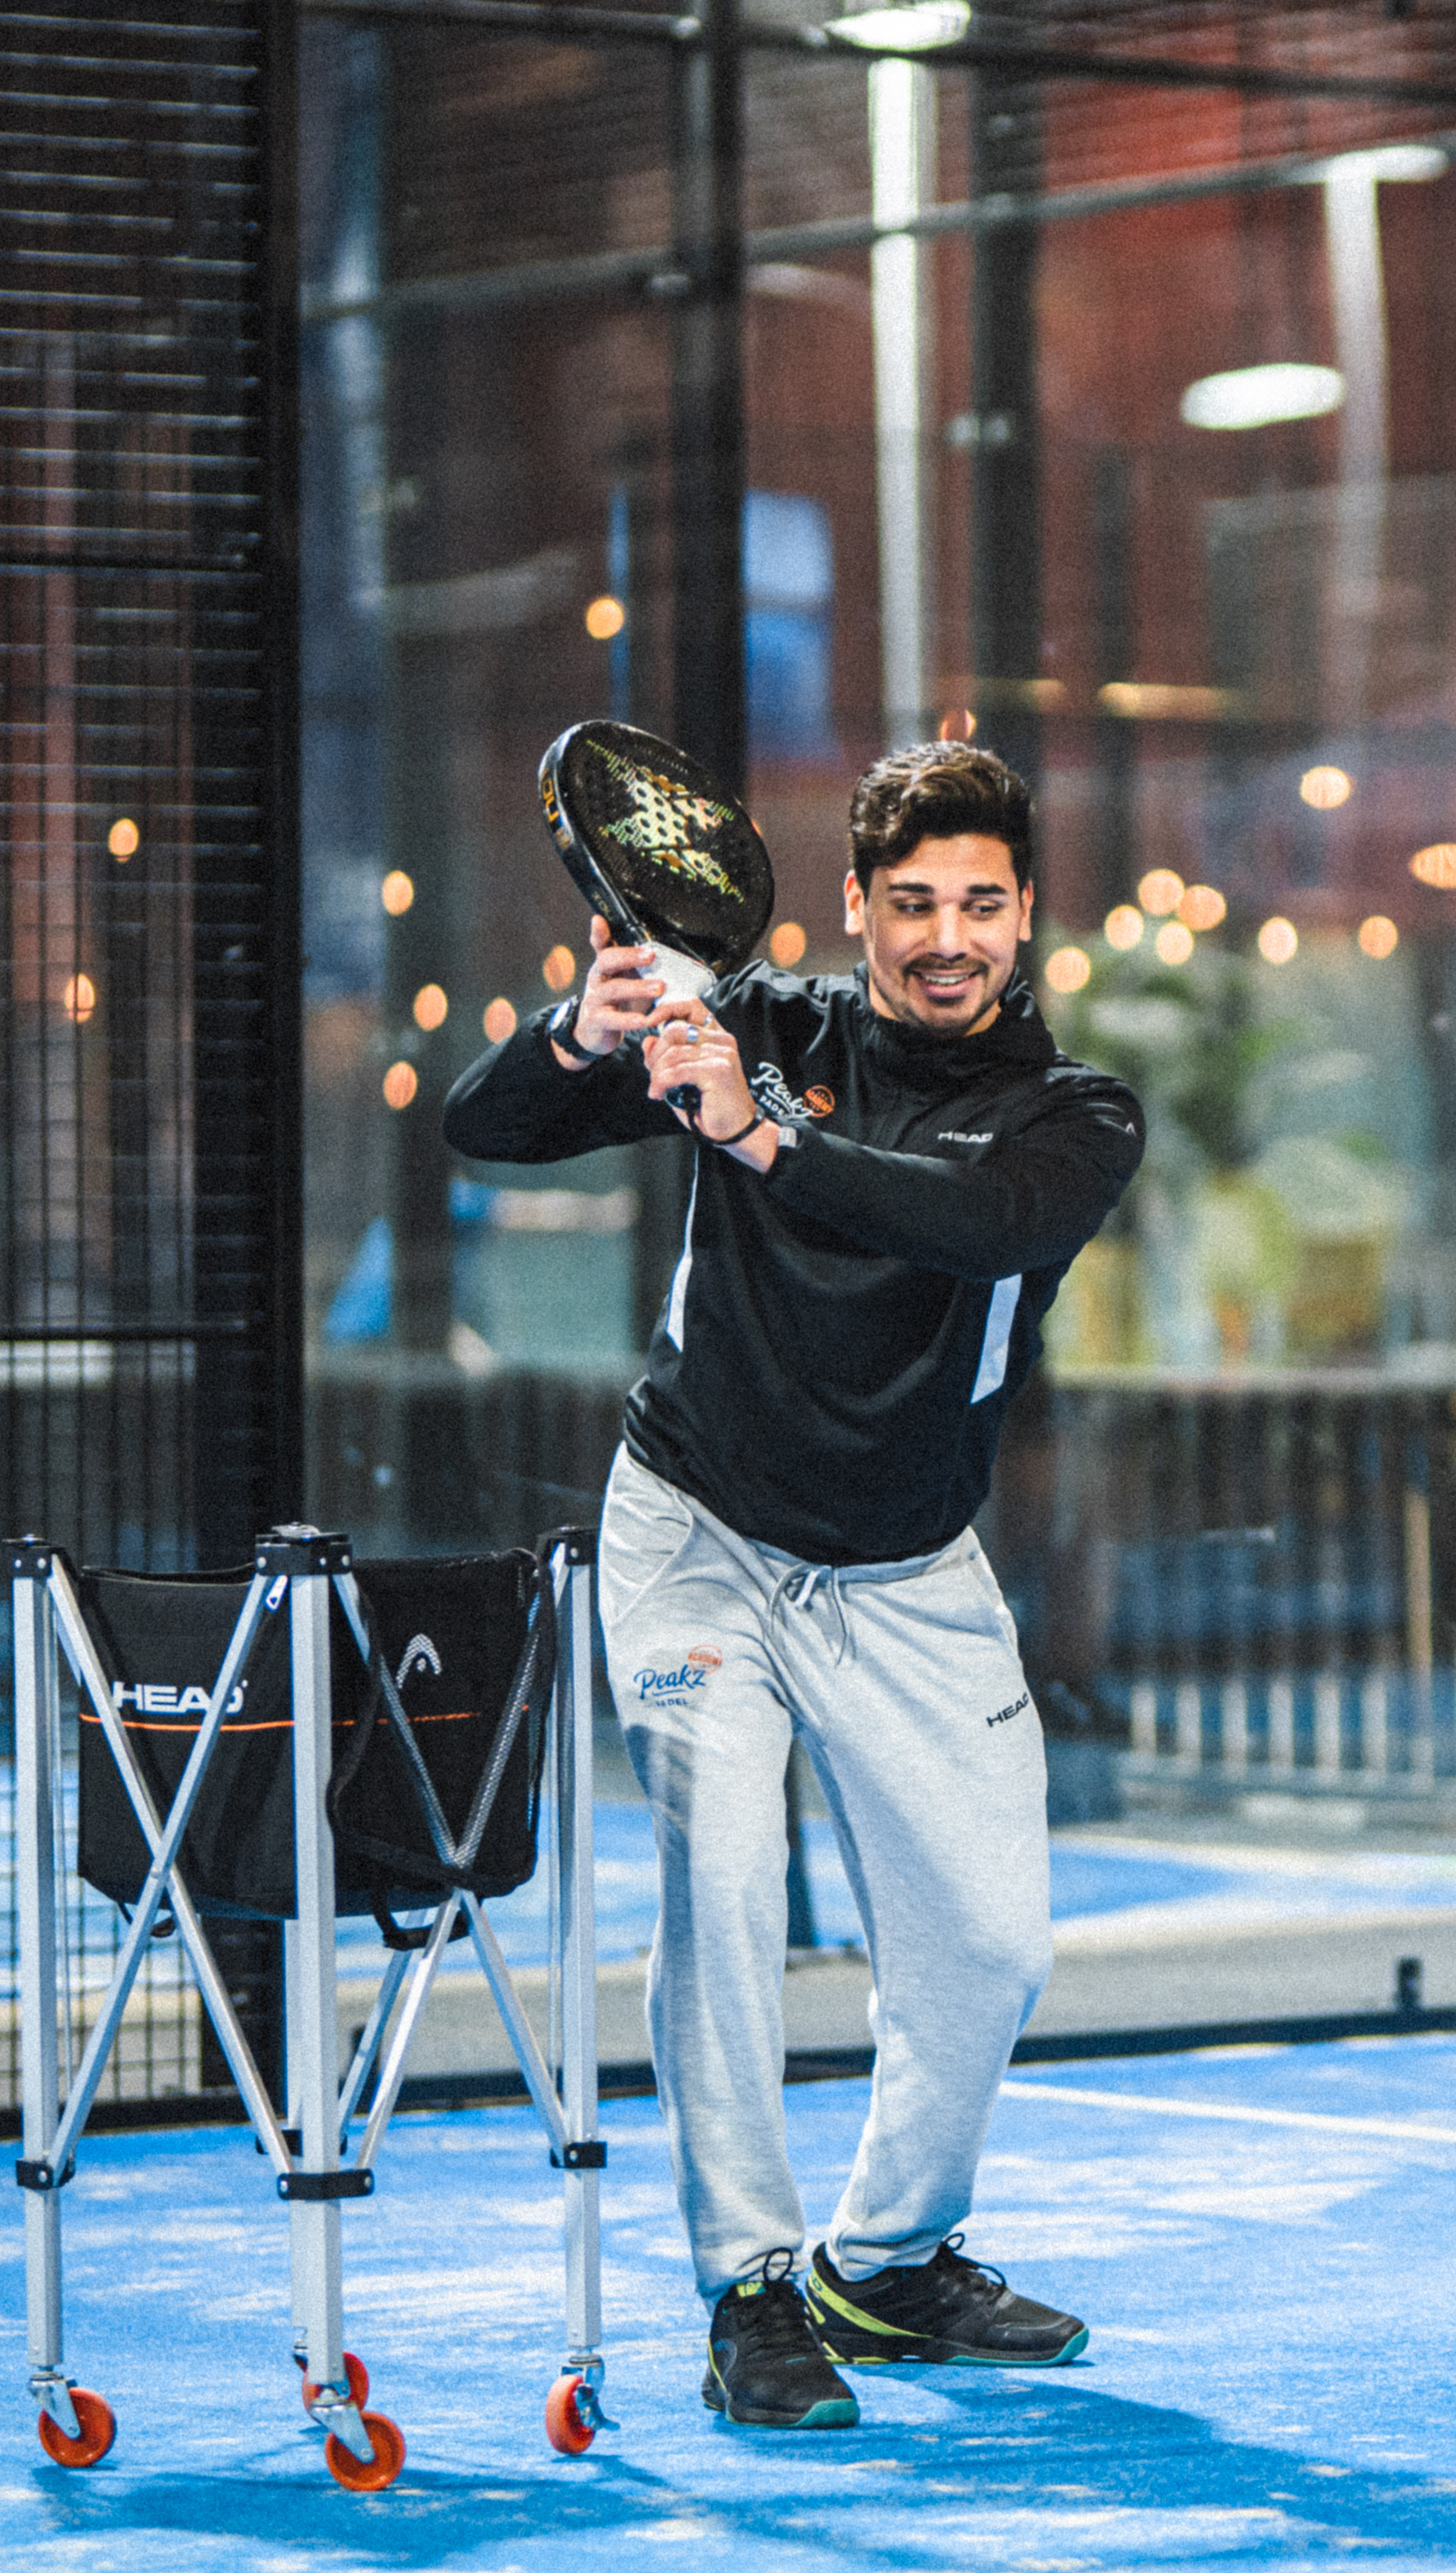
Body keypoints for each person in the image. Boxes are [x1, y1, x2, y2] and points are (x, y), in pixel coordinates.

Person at [442, 741, 1144, 2431]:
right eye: (910, 904)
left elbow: (966, 1227)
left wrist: (755, 1137)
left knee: (989, 1948)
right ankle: (750, 2286)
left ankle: (888, 2262)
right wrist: (586, 1034)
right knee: (729, 1887)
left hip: (909, 1571)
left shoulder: (1076, 1114)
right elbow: (488, 1130)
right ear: (858, 909)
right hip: (698, 1536)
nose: (945, 936)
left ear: (1026, 914)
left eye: (979, 903)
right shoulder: (755, 1020)